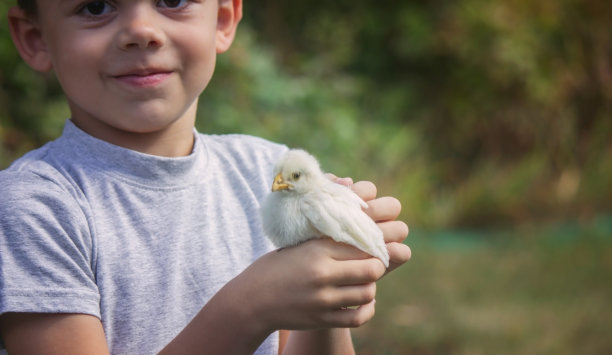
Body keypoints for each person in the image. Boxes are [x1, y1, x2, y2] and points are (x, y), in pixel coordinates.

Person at [0, 0, 412, 354]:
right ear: (35, 38)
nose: (141, 32)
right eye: (94, 6)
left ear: (223, 19)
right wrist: (249, 307)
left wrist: (328, 294)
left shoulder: (266, 173)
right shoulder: (33, 208)